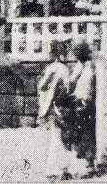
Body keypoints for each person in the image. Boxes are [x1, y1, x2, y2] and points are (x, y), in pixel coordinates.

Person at [37, 41, 73, 180]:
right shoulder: (63, 69)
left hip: (51, 105)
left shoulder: (51, 68)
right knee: (60, 138)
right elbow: (65, 88)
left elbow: (42, 86)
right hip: (59, 105)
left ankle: (55, 168)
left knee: (56, 137)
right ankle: (59, 168)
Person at [65, 42, 97, 178]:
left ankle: (90, 167)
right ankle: (78, 167)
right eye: (75, 51)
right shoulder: (79, 66)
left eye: (79, 51)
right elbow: (71, 82)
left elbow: (92, 87)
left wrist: (87, 100)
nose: (77, 54)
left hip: (88, 105)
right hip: (77, 103)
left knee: (88, 135)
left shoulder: (92, 67)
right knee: (76, 136)